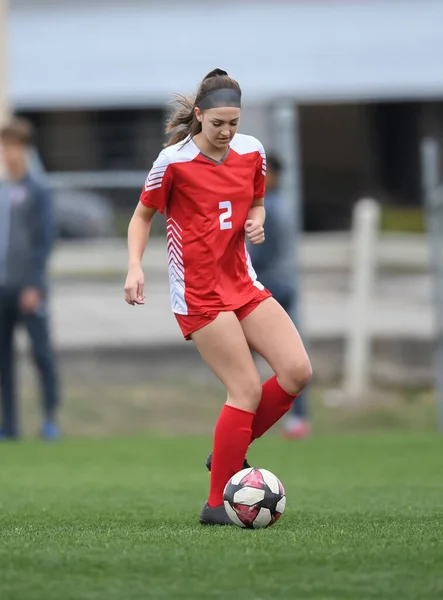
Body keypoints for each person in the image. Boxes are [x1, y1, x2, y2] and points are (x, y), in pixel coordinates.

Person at [124, 69, 312, 525]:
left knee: (297, 372)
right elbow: (141, 217)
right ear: (199, 116)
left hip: (242, 282)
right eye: (218, 124)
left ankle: (230, 449)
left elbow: (257, 200)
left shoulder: (253, 151)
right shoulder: (173, 161)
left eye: (234, 122)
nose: (227, 132)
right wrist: (134, 267)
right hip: (199, 292)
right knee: (245, 389)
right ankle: (215, 506)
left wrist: (258, 220)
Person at [0, 117, 60, 440]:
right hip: (2, 288)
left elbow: (44, 241)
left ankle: (50, 418)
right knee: (3, 361)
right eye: (4, 147)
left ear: (24, 149)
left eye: (13, 146)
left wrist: (34, 284)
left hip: (29, 289)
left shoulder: (38, 191)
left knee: (40, 354)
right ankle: (9, 424)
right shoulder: (2, 190)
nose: (8, 154)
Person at [247, 154, 310, 439]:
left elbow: (260, 256)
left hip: (268, 290)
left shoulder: (268, 208)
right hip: (282, 286)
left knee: (248, 363)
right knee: (291, 362)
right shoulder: (278, 204)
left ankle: (249, 418)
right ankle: (295, 419)